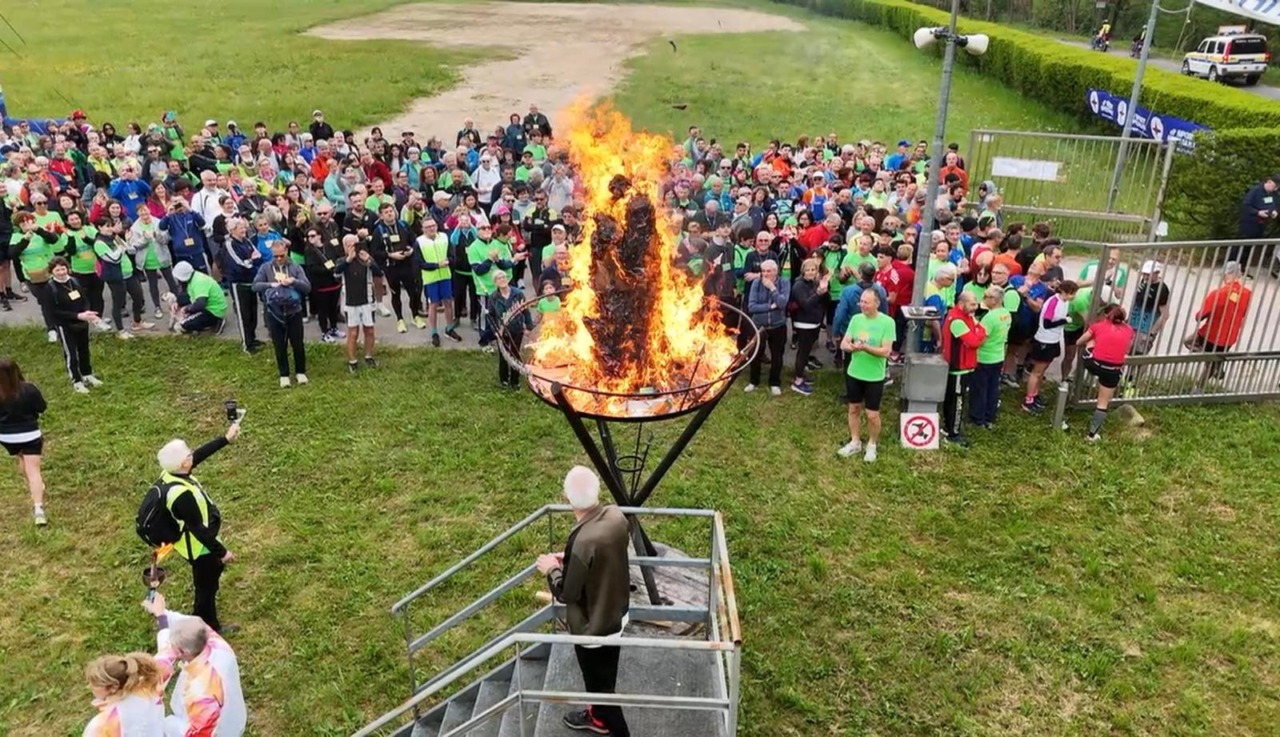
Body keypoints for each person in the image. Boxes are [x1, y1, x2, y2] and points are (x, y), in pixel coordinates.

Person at [534, 466, 631, 737]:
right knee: (607, 674)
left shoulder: (582, 541)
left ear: (568, 498)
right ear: (597, 489)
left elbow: (567, 593)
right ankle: (597, 718)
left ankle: (611, 724)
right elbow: (603, 556)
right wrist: (571, 560)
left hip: (593, 629)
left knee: (601, 690)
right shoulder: (616, 516)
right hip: (618, 614)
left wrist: (552, 569)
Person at [154, 419, 242, 634]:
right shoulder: (181, 496)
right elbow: (199, 531)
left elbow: (199, 455)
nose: (192, 454)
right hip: (199, 547)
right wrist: (222, 553)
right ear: (184, 464)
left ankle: (203, 618)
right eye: (188, 454)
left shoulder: (171, 473)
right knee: (206, 587)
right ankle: (207, 626)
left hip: (198, 543)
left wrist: (225, 439)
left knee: (209, 579)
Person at [143, 593, 247, 737]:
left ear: (184, 652)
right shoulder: (210, 639)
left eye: (174, 648)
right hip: (230, 711)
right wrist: (161, 614)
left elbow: (197, 733)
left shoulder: (201, 689)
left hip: (216, 729)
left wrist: (167, 725)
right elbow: (188, 623)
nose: (171, 650)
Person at [838, 289, 894, 462]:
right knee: (853, 408)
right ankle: (855, 441)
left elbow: (886, 351)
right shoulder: (856, 319)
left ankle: (872, 444)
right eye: (861, 301)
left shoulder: (887, 322)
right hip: (854, 372)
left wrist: (866, 348)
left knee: (872, 414)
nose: (862, 305)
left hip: (874, 376)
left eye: (866, 302)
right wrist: (851, 347)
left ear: (877, 304)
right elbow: (844, 343)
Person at [253, 240, 311, 387]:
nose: (279, 259)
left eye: (281, 255)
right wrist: (270, 285)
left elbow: (307, 287)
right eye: (276, 256)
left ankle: (300, 371)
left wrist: (293, 282)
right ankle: (284, 374)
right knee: (279, 344)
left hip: (294, 311)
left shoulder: (295, 267)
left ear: (286, 252)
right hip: (274, 312)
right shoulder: (265, 268)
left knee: (297, 343)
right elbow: (255, 286)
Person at [0, 358, 49, 525]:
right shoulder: (29, 389)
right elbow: (42, 407)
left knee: (23, 458)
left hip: (6, 437)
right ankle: (39, 509)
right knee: (34, 470)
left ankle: (35, 486)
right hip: (29, 434)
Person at [1187, 261, 1252, 387]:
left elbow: (1200, 316)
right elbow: (1243, 313)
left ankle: (1201, 385)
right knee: (1214, 359)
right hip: (1230, 337)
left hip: (1211, 335)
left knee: (1188, 342)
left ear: (1226, 274)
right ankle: (1217, 364)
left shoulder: (1218, 293)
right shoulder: (1246, 294)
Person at [1077, 304, 1135, 441]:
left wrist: (1094, 341)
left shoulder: (1098, 326)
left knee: (1092, 339)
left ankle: (1082, 384)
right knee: (1103, 403)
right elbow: (1127, 349)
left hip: (1094, 364)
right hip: (1113, 369)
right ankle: (1092, 435)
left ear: (1105, 315)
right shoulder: (1129, 330)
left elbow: (1079, 342)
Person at [47, 257, 104, 393]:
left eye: (63, 269)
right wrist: (77, 315)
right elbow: (53, 312)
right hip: (66, 325)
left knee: (84, 349)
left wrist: (87, 312)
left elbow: (84, 298)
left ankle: (87, 374)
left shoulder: (74, 281)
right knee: (71, 354)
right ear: (52, 272)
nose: (61, 272)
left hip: (82, 322)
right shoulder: (50, 288)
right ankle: (76, 381)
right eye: (57, 270)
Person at [1023, 278, 1077, 415]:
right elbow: (1047, 323)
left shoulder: (1065, 302)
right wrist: (1064, 321)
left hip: (1054, 339)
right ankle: (1028, 400)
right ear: (1064, 292)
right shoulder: (1053, 301)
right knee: (1037, 371)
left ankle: (1035, 394)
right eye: (1072, 293)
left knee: (1043, 370)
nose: (1073, 296)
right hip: (1044, 340)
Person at [940, 290, 987, 447]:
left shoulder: (966, 316)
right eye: (972, 304)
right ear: (961, 304)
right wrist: (978, 333)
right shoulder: (957, 321)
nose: (976, 307)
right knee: (957, 402)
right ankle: (953, 434)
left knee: (952, 400)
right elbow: (974, 341)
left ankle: (948, 427)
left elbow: (980, 331)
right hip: (959, 367)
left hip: (963, 366)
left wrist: (977, 332)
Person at [371, 202, 425, 333]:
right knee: (396, 294)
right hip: (391, 267)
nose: (390, 214)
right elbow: (375, 252)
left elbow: (414, 241)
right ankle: (400, 319)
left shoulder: (403, 225)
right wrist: (390, 255)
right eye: (386, 212)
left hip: (407, 265)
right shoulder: (378, 231)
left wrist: (411, 250)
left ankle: (415, 316)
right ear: (381, 216)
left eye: (391, 211)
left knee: (413, 292)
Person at [81, 652, 165, 736]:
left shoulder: (103, 723)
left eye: (94, 684)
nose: (89, 686)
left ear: (113, 687)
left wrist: (109, 709)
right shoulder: (148, 691)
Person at [744, 259, 790, 395]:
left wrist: (772, 288)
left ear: (775, 271)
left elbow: (782, 303)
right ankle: (753, 381)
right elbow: (752, 307)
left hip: (778, 325)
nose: (765, 274)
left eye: (768, 271)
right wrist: (770, 307)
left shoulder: (784, 283)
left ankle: (775, 383)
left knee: (777, 356)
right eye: (763, 271)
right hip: (759, 325)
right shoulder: (756, 283)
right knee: (755, 354)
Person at [969, 286, 1011, 430]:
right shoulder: (1006, 313)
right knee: (993, 388)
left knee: (979, 389)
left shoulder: (989, 318)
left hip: (984, 357)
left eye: (986, 296)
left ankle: (977, 418)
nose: (983, 299)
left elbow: (980, 340)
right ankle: (990, 416)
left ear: (994, 300)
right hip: (998, 355)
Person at [338, 234, 381, 372]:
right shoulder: (342, 260)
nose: (352, 248)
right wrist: (348, 260)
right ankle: (352, 361)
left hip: (367, 300)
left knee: (369, 330)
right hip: (350, 302)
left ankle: (368, 356)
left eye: (354, 245)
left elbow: (378, 272)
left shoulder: (366, 258)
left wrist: (369, 260)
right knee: (353, 333)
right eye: (348, 245)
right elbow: (336, 273)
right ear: (344, 247)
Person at [416, 217, 460, 346]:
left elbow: (452, 255)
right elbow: (419, 263)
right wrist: (436, 265)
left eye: (433, 225)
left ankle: (449, 328)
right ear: (423, 229)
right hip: (430, 278)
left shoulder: (444, 237)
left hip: (445, 276)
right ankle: (434, 332)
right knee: (433, 305)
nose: (431, 228)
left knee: (448, 302)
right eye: (428, 227)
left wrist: (449, 261)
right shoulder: (419, 242)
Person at [789, 258, 828, 396]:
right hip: (803, 323)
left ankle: (801, 374)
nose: (811, 272)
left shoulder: (814, 283)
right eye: (808, 270)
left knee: (806, 352)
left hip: (814, 323)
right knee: (803, 352)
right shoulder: (798, 285)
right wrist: (818, 293)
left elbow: (823, 302)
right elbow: (805, 304)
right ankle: (798, 381)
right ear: (803, 271)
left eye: (813, 269)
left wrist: (824, 290)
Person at [489, 270, 530, 389]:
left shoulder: (518, 294)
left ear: (508, 279)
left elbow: (526, 310)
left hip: (517, 329)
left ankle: (515, 381)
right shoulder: (493, 297)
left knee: (515, 354)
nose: (502, 279)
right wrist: (495, 331)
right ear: (495, 282)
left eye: (503, 277)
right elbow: (491, 316)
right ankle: (504, 380)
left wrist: (528, 326)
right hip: (502, 331)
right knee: (503, 355)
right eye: (499, 278)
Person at [169, 261, 228, 335]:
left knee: (184, 324)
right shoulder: (194, 277)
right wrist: (177, 302)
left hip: (214, 311)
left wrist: (186, 309)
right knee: (185, 308)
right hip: (209, 305)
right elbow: (188, 295)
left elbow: (201, 304)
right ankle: (203, 322)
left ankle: (217, 321)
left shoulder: (198, 283)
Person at [1233, 175, 1277, 267]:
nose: (1275, 189)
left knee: (1249, 248)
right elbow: (1245, 205)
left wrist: (1274, 211)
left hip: (1260, 225)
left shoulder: (1273, 194)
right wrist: (1257, 212)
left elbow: (1274, 205)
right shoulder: (1255, 191)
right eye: (1275, 186)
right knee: (1240, 247)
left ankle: (1243, 269)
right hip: (1248, 224)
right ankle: (1231, 269)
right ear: (1269, 182)